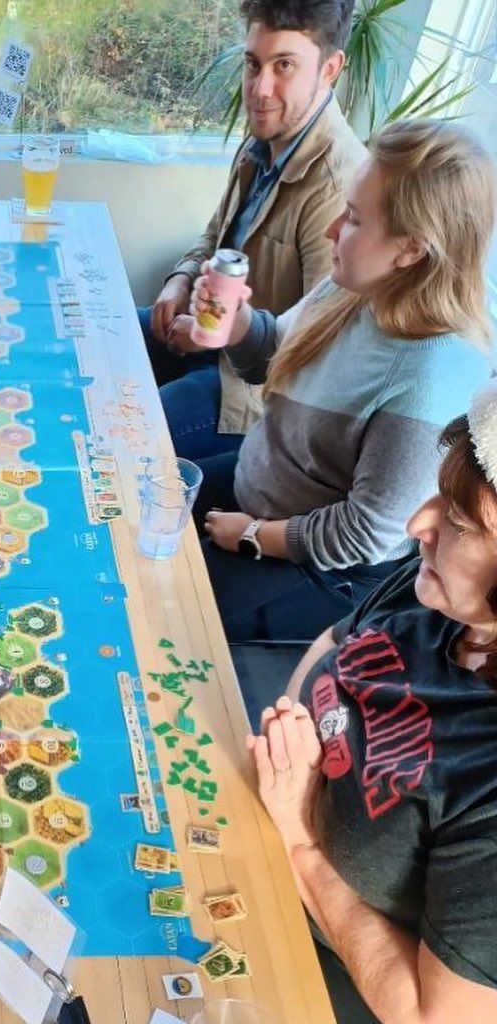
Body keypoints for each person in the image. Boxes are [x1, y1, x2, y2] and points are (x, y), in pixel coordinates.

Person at [248, 380, 497, 1023]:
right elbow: (336, 639)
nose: (419, 525)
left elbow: (428, 1015)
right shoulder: (439, 590)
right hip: (261, 821)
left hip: (324, 973)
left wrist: (299, 835)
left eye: (460, 522)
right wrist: (286, 735)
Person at [191, 118, 494, 643]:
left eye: (353, 218)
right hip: (259, 489)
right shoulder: (354, 285)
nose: (333, 229)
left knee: (170, 608)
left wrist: (257, 537)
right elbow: (270, 358)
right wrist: (237, 325)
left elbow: (367, 533)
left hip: (324, 568)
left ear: (411, 249)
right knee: (128, 505)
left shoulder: (434, 374)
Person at [139, 0, 365, 459]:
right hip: (206, 341)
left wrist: (220, 331)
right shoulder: (265, 135)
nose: (260, 89)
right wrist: (182, 279)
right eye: (253, 63)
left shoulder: (340, 186)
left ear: (330, 68)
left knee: (124, 434)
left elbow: (317, 355)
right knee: (100, 341)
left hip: (253, 395)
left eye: (284, 66)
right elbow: (216, 237)